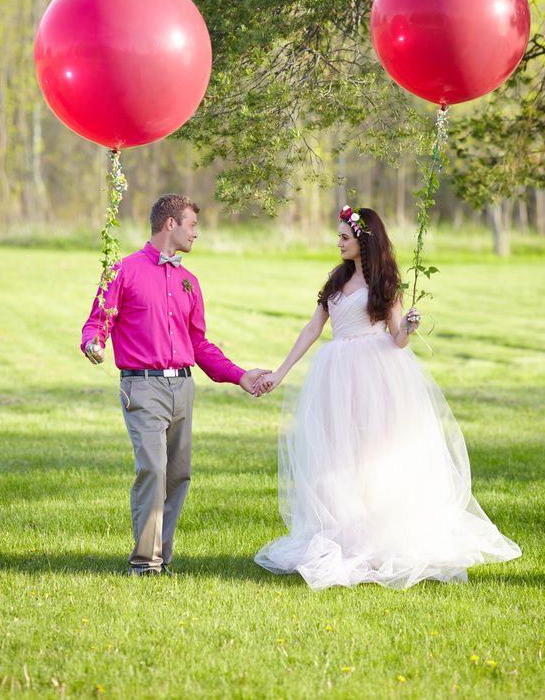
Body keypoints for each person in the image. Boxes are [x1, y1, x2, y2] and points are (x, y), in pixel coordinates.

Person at [254, 204, 521, 590]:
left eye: (345, 237)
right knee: (337, 453)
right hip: (335, 373)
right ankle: (344, 532)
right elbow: (314, 328)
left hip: (373, 374)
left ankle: (379, 536)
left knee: (371, 453)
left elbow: (396, 340)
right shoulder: (336, 279)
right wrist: (281, 371)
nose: (339, 242)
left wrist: (409, 326)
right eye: (339, 236)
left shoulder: (385, 283)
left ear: (364, 240)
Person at [81, 193, 269, 576]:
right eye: (192, 225)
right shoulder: (122, 270)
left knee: (177, 474)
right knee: (153, 468)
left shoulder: (189, 282)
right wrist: (93, 342)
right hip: (142, 387)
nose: (196, 233)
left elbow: (199, 344)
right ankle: (144, 563)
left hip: (183, 389)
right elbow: (97, 320)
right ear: (171, 224)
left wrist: (239, 375)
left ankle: (161, 559)